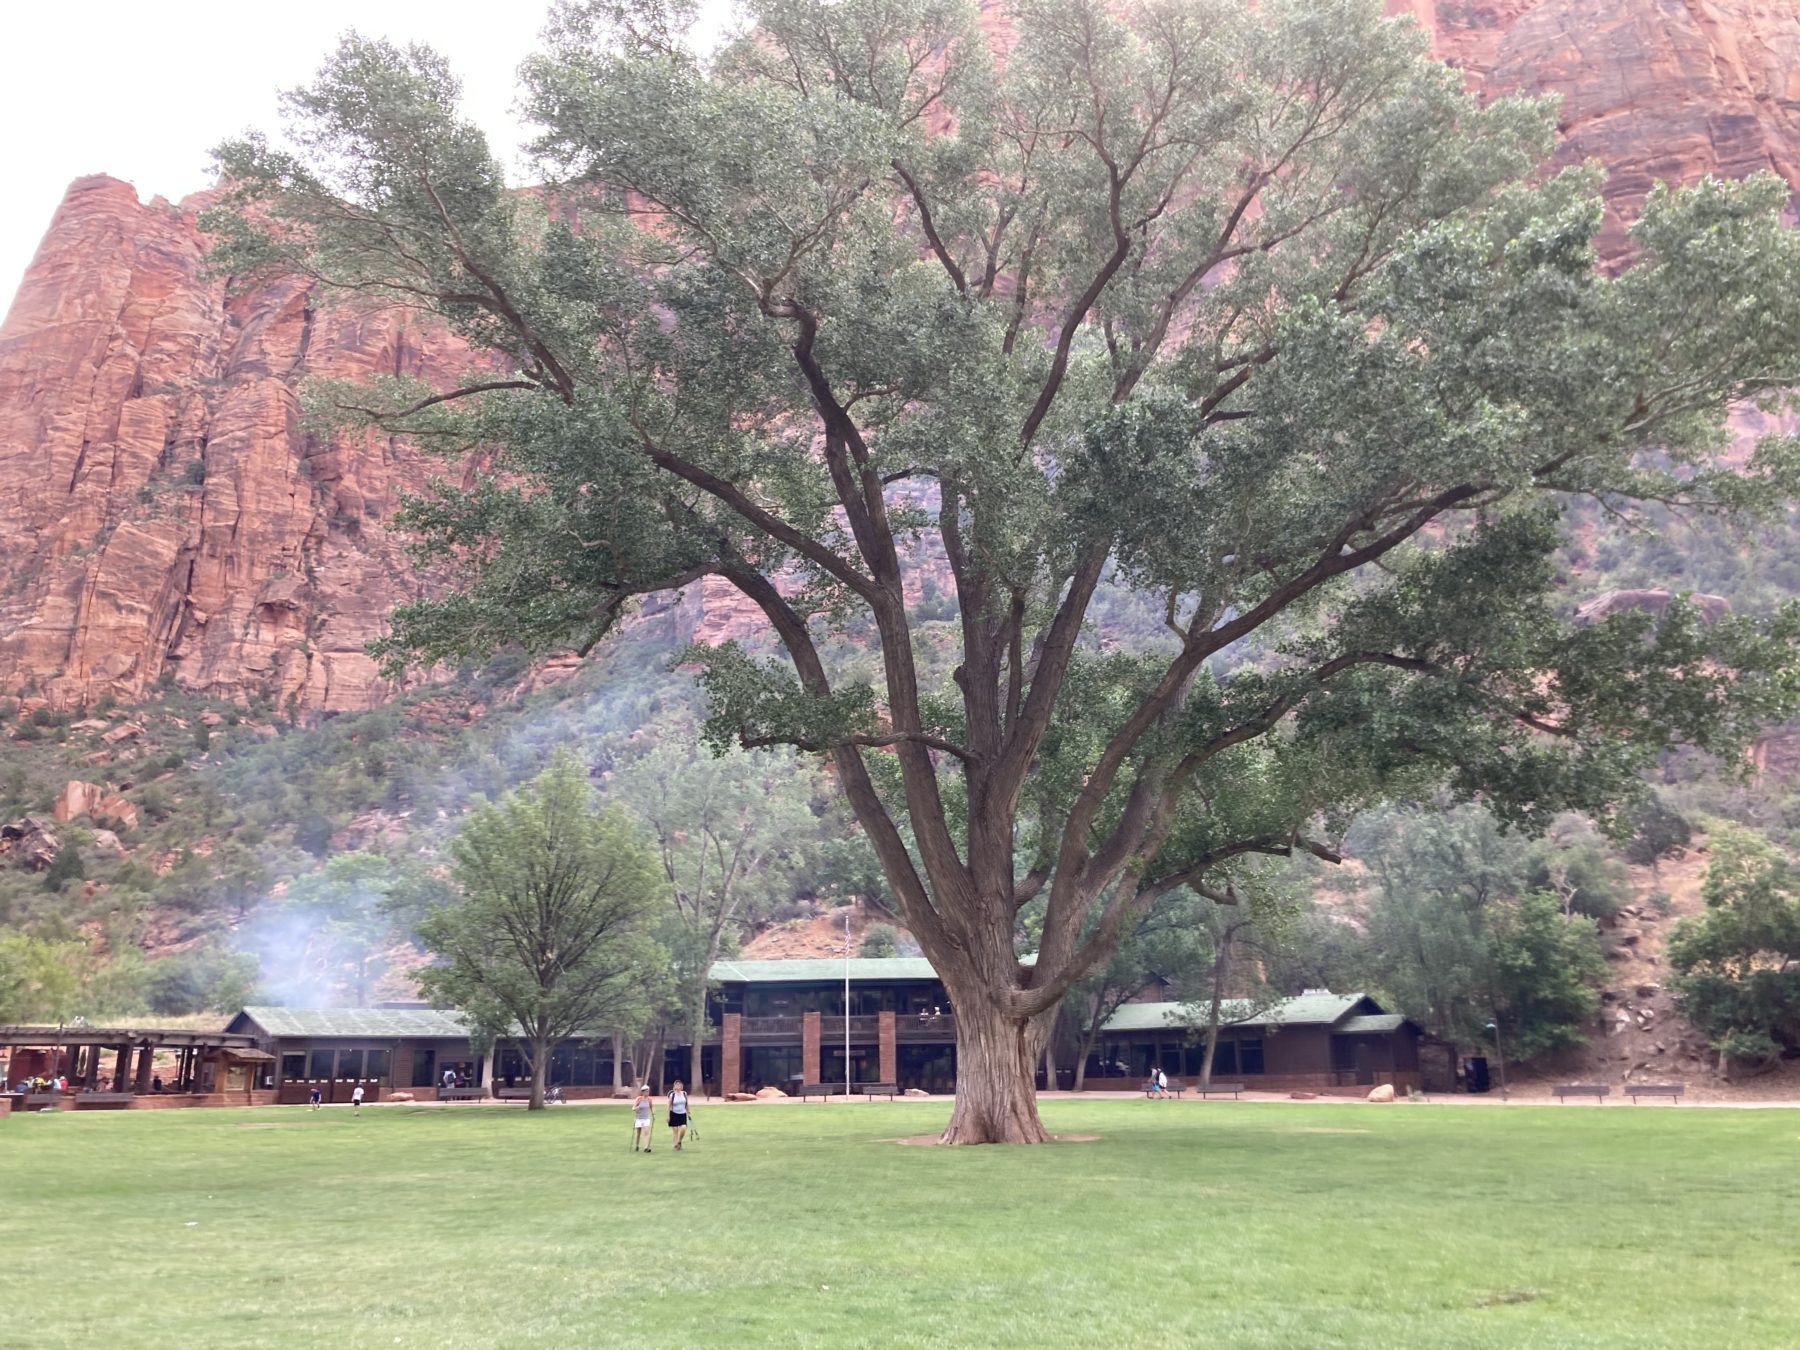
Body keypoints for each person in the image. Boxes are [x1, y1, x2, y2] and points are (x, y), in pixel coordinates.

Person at [667, 1079, 690, 1151]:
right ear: (674, 1086)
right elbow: (668, 1105)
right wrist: (668, 1116)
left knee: (683, 1128)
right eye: (677, 1084)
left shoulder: (684, 1094)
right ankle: (676, 1145)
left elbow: (687, 1104)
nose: (679, 1086)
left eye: (680, 1084)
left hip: (682, 1114)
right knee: (675, 1130)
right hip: (674, 1113)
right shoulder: (672, 1095)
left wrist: (689, 1112)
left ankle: (679, 1141)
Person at [632, 1085, 654, 1153]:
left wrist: (653, 1114)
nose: (647, 1092)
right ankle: (637, 1145)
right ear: (643, 1092)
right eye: (646, 1091)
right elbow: (633, 1108)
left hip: (646, 1118)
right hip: (639, 1118)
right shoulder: (639, 1099)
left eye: (648, 1091)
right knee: (638, 1133)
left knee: (646, 1132)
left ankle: (646, 1147)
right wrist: (636, 1108)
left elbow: (651, 1107)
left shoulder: (650, 1099)